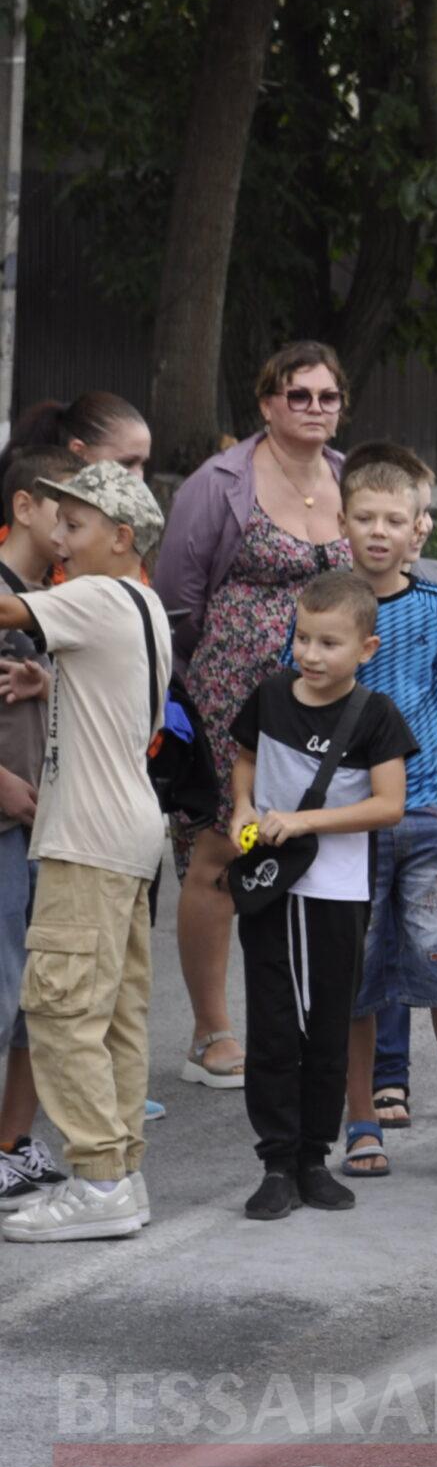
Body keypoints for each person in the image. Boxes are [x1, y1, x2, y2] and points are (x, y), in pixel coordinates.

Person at [158, 340, 352, 1095]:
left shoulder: (345, 476)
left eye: (326, 397)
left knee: (306, 849)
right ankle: (212, 1031)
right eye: (296, 395)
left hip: (322, 706)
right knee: (220, 856)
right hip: (230, 702)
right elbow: (179, 602)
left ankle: (293, 1017)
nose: (312, 408)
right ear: (267, 402)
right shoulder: (220, 482)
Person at [0, 464, 170, 1242]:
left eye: (75, 525)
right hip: (130, 832)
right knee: (115, 1015)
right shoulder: (143, 603)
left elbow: (8, 606)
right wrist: (49, 683)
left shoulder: (96, 596)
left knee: (62, 1009)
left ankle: (99, 1180)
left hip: (88, 838)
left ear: (121, 538)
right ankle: (120, 1173)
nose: (57, 538)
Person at [227, 571, 414, 1219]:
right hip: (271, 884)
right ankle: (277, 1162)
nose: (310, 653)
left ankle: (314, 1156)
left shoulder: (376, 716)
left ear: (366, 648)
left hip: (335, 891)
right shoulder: (271, 695)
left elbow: (389, 806)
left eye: (329, 642)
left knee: (327, 1025)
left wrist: (303, 820)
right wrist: (243, 808)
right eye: (303, 637)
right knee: (273, 1023)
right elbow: (245, 760)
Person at [325, 457, 437, 1182]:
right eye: (365, 518)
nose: (379, 532)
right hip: (349, 823)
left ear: (418, 527)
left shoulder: (433, 604)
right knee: (357, 975)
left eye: (395, 519)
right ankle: (361, 1119)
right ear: (342, 524)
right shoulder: (326, 609)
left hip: (426, 813)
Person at [0, 449, 71, 1209]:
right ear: (25, 508)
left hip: (41, 826)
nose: (74, 528)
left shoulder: (54, 601)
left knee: (31, 999)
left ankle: (12, 1144)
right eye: (64, 512)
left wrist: (49, 681)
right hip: (6, 827)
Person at [7, 393, 151, 478]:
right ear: (79, 452)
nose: (139, 477)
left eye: (143, 465)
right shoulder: (44, 521)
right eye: (127, 462)